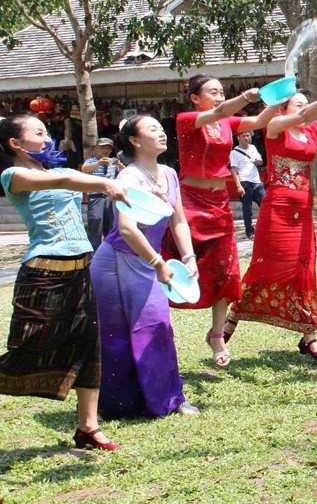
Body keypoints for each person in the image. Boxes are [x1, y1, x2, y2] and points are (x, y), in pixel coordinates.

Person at [1, 113, 129, 450]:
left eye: (46, 132)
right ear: (15, 143)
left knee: (89, 346)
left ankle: (87, 428)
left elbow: (71, 177)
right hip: (43, 273)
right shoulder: (13, 175)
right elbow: (67, 183)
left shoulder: (59, 171)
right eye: (38, 133)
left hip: (80, 268)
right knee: (28, 348)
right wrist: (105, 184)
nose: (47, 139)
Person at [231, 87, 317, 361]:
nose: (305, 108)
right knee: (267, 265)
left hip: (303, 208)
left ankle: (308, 336)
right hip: (277, 207)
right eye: (299, 104)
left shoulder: (311, 131)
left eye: (306, 104)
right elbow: (305, 114)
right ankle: (232, 318)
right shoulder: (276, 126)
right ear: (284, 108)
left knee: (304, 268)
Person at [91, 115, 199, 419]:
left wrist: (188, 257)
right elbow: (126, 229)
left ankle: (170, 399)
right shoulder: (129, 178)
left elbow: (178, 220)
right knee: (114, 334)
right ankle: (114, 404)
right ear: (135, 141)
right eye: (153, 129)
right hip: (114, 262)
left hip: (148, 260)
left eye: (161, 128)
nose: (162, 133)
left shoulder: (169, 173)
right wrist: (159, 262)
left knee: (156, 328)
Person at [173, 76, 275, 367]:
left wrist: (275, 100)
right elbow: (219, 112)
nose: (219, 96)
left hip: (219, 204)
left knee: (225, 270)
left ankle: (217, 335)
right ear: (195, 98)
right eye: (212, 92)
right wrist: (245, 96)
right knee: (178, 263)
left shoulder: (228, 123)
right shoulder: (186, 119)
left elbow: (258, 122)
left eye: (221, 92)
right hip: (191, 201)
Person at [80, 137, 121, 248]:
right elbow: (84, 169)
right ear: (96, 149)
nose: (105, 150)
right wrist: (98, 163)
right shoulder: (92, 161)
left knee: (111, 226)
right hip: (95, 197)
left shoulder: (113, 162)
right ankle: (93, 255)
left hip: (110, 198)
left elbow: (122, 176)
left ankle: (109, 252)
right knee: (96, 224)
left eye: (108, 148)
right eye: (103, 148)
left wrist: (120, 166)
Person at [229, 131, 265, 239]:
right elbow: (234, 170)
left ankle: (266, 228)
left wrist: (259, 161)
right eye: (243, 136)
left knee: (265, 205)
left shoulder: (253, 148)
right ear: (238, 137)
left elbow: (261, 161)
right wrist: (238, 186)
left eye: (248, 136)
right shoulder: (234, 152)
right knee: (247, 209)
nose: (246, 138)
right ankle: (250, 232)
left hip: (257, 182)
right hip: (245, 182)